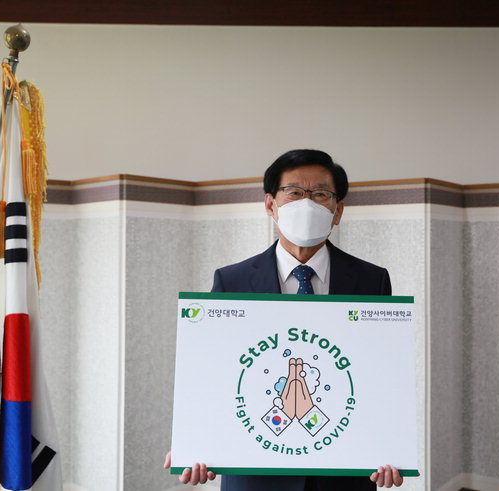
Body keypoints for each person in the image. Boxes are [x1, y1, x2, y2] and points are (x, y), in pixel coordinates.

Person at [164, 149, 404, 489]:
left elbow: (381, 374)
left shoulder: (372, 280)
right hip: (256, 472)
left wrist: (391, 447)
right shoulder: (231, 281)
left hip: (343, 472)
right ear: (270, 204)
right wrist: (195, 442)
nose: (307, 203)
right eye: (294, 192)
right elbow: (213, 372)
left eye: (321, 194)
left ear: (338, 211)